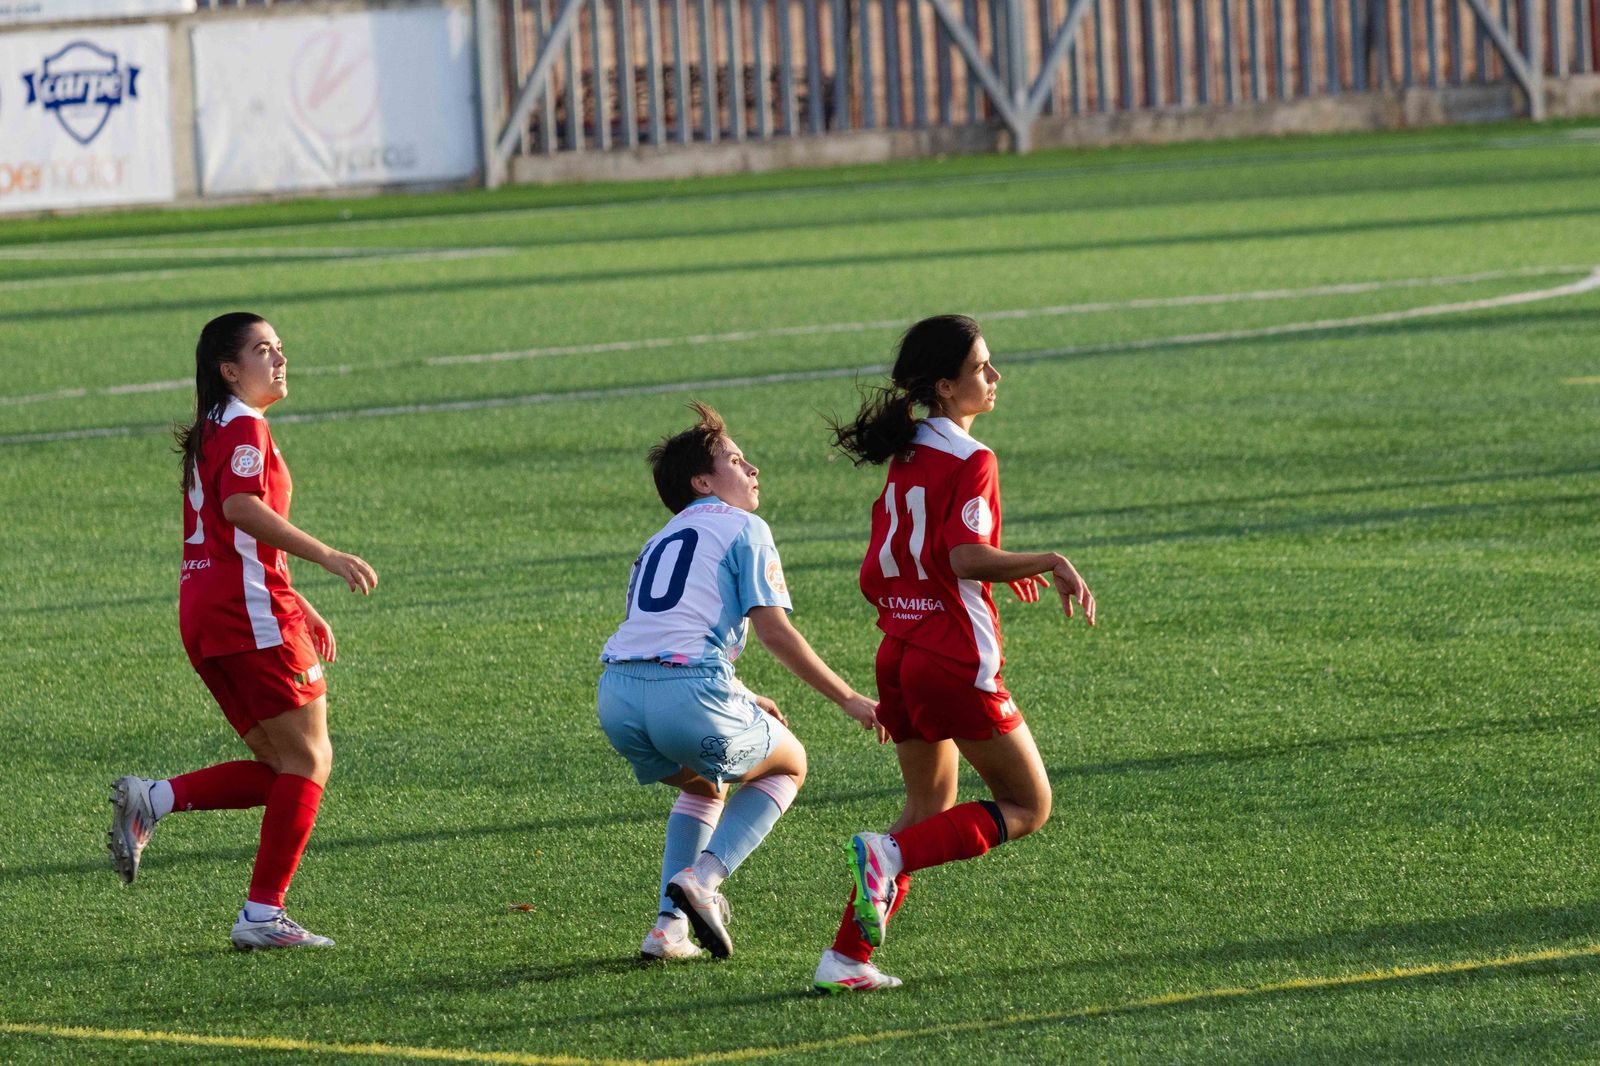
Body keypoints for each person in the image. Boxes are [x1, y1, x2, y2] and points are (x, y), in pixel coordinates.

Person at [812, 315, 1096, 993]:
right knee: (1027, 805)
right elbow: (965, 556)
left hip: (899, 652)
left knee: (928, 807)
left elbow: (938, 556)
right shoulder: (974, 459)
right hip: (951, 656)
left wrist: (998, 566)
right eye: (981, 368)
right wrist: (1049, 558)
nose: (994, 378)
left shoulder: (909, 453)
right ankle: (887, 857)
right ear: (945, 386)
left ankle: (846, 957)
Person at [107, 312, 378, 951]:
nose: (280, 359)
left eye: (280, 348)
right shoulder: (247, 426)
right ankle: (261, 915)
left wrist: (296, 597)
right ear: (231, 370)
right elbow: (240, 509)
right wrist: (326, 555)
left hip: (210, 608)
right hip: (248, 614)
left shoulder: (215, 426)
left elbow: (229, 536)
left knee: (283, 765)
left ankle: (155, 799)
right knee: (310, 760)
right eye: (264, 350)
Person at [598, 401, 886, 961]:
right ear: (702, 482)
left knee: (703, 785)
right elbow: (775, 632)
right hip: (689, 698)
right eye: (737, 459)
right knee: (791, 763)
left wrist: (746, 695)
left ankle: (668, 927)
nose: (753, 469)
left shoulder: (658, 540)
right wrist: (850, 699)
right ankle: (704, 879)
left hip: (619, 698)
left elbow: (662, 635)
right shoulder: (743, 527)